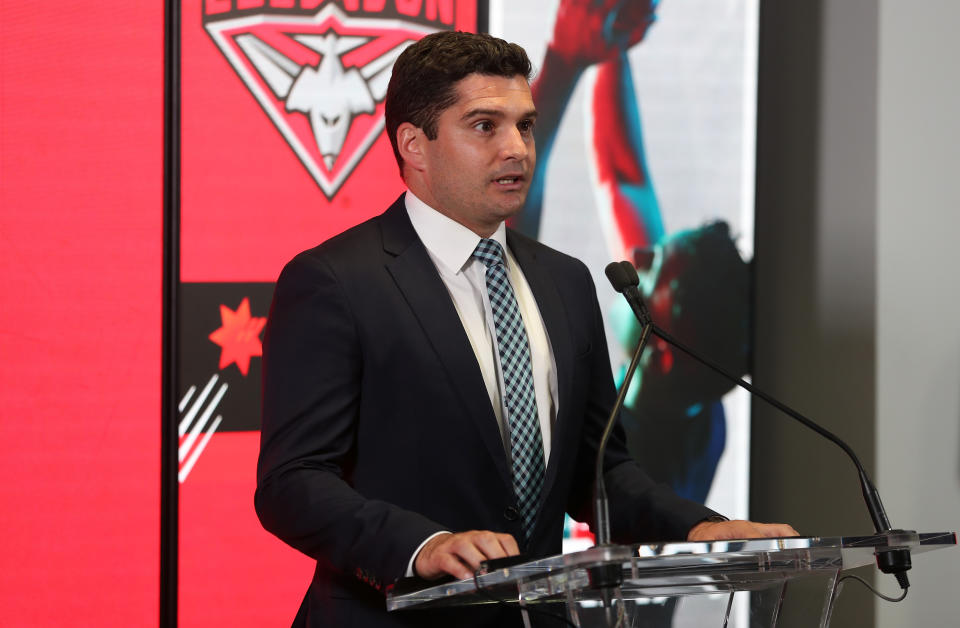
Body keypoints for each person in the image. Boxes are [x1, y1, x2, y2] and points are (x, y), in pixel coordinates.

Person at [256, 30, 795, 628]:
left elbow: (600, 472)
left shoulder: (565, 282)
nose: (517, 148)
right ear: (414, 144)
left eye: (525, 125)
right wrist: (420, 547)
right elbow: (292, 482)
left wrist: (702, 527)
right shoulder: (334, 282)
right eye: (485, 125)